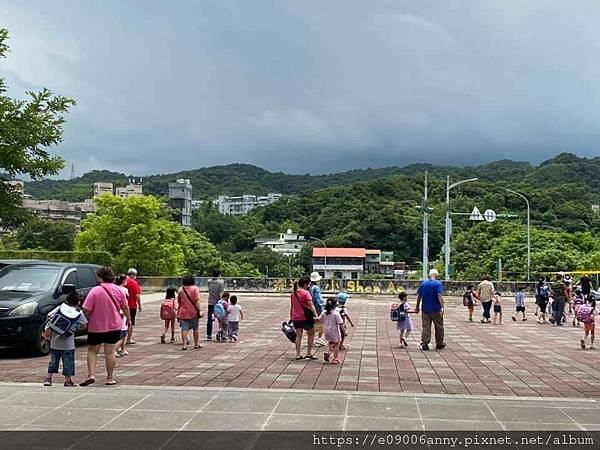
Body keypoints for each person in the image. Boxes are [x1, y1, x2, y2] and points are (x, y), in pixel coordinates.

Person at [80, 266, 131, 386]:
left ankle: (91, 374)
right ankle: (110, 378)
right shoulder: (119, 290)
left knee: (92, 351)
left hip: (95, 326)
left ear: (100, 277)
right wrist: (128, 319)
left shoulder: (95, 290)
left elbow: (86, 309)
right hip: (114, 325)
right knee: (110, 351)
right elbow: (125, 306)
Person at [43, 291, 87, 387]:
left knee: (53, 361)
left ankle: (48, 378)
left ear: (66, 301)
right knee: (68, 362)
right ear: (79, 302)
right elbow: (84, 325)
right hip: (68, 343)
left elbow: (49, 316)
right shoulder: (78, 312)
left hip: (55, 342)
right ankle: (68, 380)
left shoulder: (61, 307)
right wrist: (76, 328)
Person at [415, 269, 445, 351]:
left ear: (429, 275)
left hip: (425, 309)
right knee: (439, 326)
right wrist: (442, 307)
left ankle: (425, 343)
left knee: (426, 327)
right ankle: (439, 343)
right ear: (437, 275)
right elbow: (439, 295)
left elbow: (419, 296)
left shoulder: (423, 283)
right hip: (436, 309)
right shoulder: (438, 284)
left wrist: (417, 306)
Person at [290, 276, 319, 360]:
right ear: (305, 284)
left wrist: (291, 316)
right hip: (305, 317)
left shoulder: (293, 293)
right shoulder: (305, 293)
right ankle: (309, 353)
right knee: (312, 333)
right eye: (308, 284)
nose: (309, 286)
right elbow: (311, 305)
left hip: (296, 317)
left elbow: (292, 307)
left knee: (298, 336)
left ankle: (298, 354)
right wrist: (316, 316)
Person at [177, 273, 204, 350]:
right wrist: (200, 310)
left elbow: (179, 302)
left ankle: (184, 345)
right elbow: (197, 301)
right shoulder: (195, 289)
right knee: (195, 328)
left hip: (183, 312)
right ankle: (196, 344)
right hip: (193, 312)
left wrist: (178, 312)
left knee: (184, 328)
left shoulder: (181, 290)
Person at [319, 297, 343, 364]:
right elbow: (340, 323)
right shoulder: (336, 313)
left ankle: (327, 352)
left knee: (330, 342)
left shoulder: (324, 312)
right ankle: (335, 359)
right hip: (334, 331)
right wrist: (344, 331)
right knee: (336, 344)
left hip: (326, 331)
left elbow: (319, 319)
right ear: (335, 305)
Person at [206, 269, 225, 340]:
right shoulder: (221, 282)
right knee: (221, 319)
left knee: (210, 319)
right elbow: (221, 294)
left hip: (210, 302)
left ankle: (208, 335)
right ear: (219, 274)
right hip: (218, 304)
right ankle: (222, 332)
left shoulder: (209, 281)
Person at [309, 272, 326, 347]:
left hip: (310, 308)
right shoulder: (316, 288)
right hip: (317, 308)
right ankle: (319, 338)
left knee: (311, 324)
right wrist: (323, 308)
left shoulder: (309, 287)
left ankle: (310, 338)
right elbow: (319, 300)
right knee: (321, 323)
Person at [114, 274, 129, 358]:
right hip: (123, 312)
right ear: (123, 281)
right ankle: (115, 349)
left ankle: (122, 349)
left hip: (115, 311)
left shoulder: (114, 289)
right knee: (123, 332)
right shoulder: (124, 290)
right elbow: (126, 303)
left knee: (118, 331)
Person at [125, 268, 142, 345]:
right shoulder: (134, 283)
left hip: (120, 306)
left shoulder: (121, 281)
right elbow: (137, 296)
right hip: (131, 306)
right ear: (133, 275)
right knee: (131, 322)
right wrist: (140, 305)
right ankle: (128, 339)